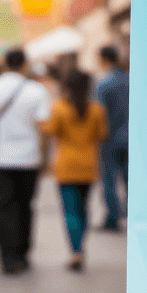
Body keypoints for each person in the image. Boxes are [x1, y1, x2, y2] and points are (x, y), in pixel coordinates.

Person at [0, 48, 52, 275]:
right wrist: (45, 159)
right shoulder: (37, 91)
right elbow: (43, 130)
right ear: (25, 64)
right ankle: (23, 253)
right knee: (25, 206)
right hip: (29, 159)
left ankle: (8, 257)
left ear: (5, 64)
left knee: (3, 207)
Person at [44, 69, 108, 271]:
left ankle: (76, 250)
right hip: (88, 164)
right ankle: (81, 246)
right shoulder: (97, 110)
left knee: (70, 211)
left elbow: (51, 130)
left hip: (66, 165)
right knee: (83, 208)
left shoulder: (60, 108)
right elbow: (103, 135)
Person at [96, 45, 129, 231]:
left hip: (109, 138)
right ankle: (132, 214)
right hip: (131, 137)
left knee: (109, 180)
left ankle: (113, 217)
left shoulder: (104, 84)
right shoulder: (130, 80)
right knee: (130, 180)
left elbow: (99, 114)